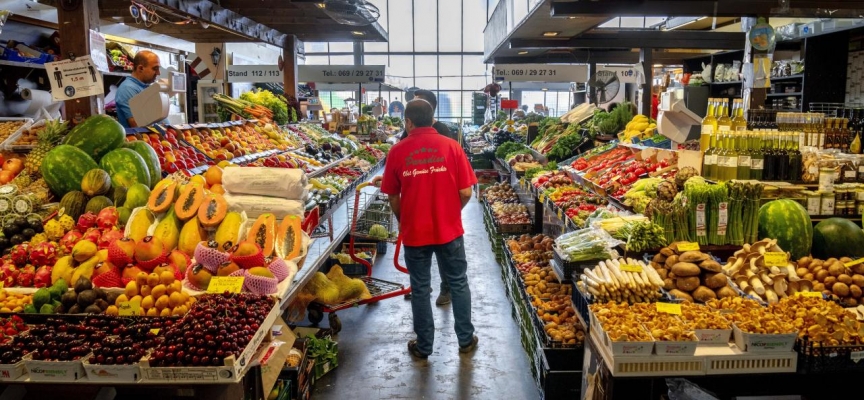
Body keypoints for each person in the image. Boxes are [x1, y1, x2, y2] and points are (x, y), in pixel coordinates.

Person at [380, 99, 478, 359]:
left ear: (408, 122)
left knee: (420, 288)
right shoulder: (452, 147)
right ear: (433, 119)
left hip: (416, 233)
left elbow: (392, 196)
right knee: (458, 283)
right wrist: (451, 212)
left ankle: (424, 346)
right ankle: (466, 340)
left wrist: (405, 220)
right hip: (450, 231)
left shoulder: (398, 151)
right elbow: (466, 192)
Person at [115, 50, 162, 128]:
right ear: (140, 68)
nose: (158, 73)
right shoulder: (128, 89)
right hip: (143, 139)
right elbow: (138, 124)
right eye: (155, 69)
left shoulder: (145, 87)